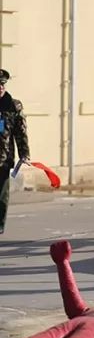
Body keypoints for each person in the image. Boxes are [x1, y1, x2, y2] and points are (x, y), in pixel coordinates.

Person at [0, 69, 31, 234]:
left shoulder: (13, 106)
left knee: (1, 195)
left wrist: (24, 153)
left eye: (2, 84)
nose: (0, 87)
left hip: (3, 158)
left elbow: (20, 132)